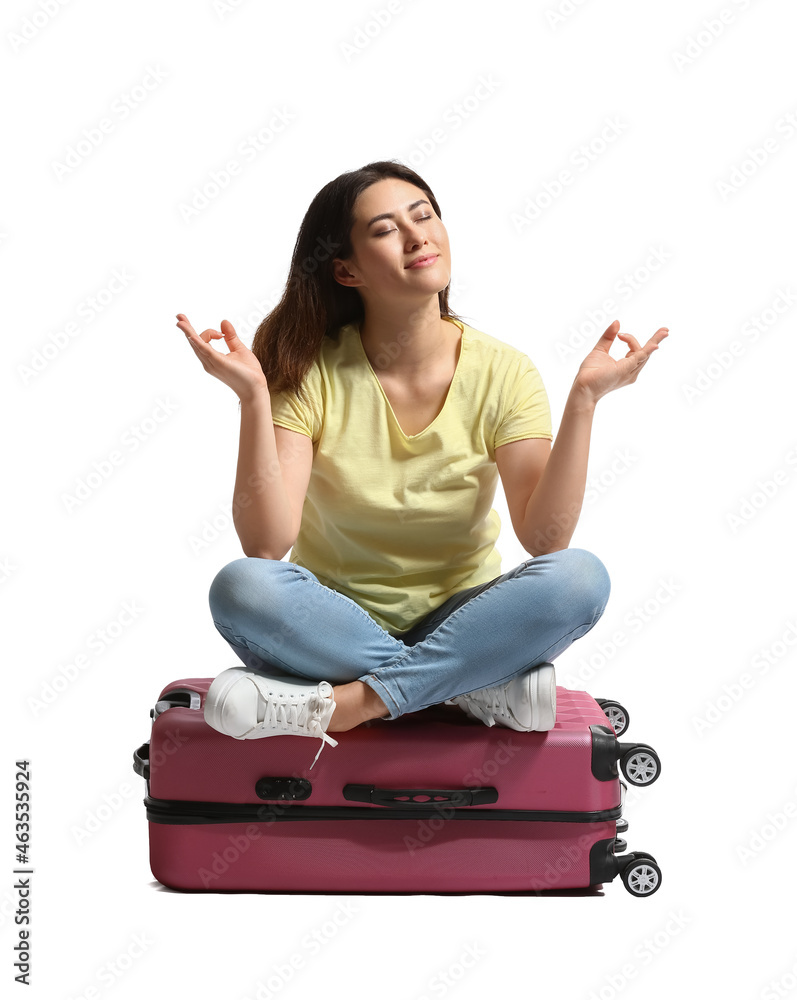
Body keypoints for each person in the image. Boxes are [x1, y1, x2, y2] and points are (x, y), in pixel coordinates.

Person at [176, 159, 668, 770]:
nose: (417, 237)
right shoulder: (311, 371)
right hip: (334, 620)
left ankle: (360, 703)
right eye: (384, 230)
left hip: (467, 617)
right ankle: (468, 689)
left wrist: (585, 401)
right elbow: (267, 543)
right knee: (242, 587)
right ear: (345, 270)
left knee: (579, 577)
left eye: (424, 215)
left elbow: (546, 538)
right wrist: (254, 397)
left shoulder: (504, 371)